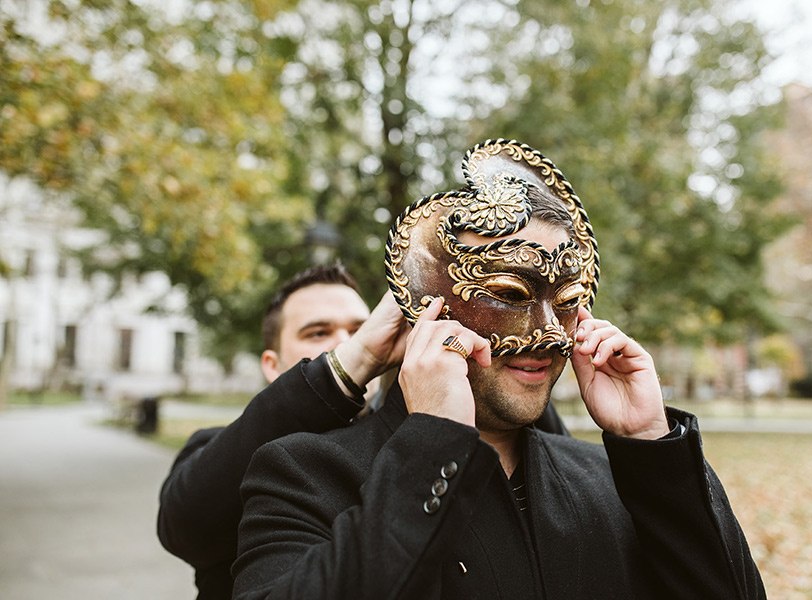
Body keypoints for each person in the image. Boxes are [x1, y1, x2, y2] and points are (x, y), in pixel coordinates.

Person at [231, 139, 766, 599]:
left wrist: (652, 448)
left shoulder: (611, 482)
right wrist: (432, 446)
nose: (548, 333)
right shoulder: (304, 476)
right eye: (508, 295)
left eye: (565, 301)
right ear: (427, 307)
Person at [157, 262, 568, 599]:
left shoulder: (415, 436)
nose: (345, 341)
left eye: (359, 327)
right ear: (271, 364)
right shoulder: (226, 449)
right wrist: (357, 356)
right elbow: (185, 528)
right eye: (318, 333)